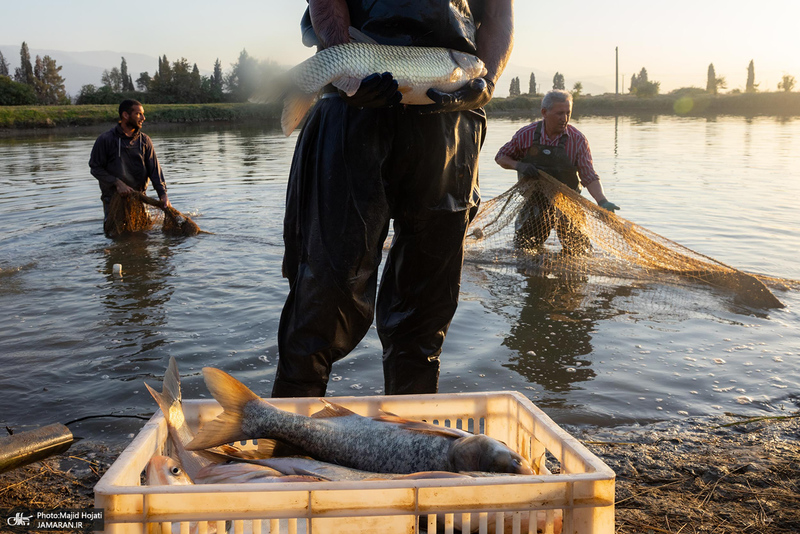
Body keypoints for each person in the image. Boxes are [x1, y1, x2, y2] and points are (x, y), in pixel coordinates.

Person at [272, 0, 514, 397]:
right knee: (325, 288)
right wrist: (345, 69)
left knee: (427, 296)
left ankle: (410, 442)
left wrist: (484, 84)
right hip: (354, 99)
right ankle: (284, 442)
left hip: (450, 114)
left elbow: (499, 12)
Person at [495, 90, 619, 252]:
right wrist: (520, 166)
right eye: (560, 113)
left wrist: (602, 201)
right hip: (535, 202)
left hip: (568, 203)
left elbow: (588, 176)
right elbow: (501, 157)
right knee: (524, 249)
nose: (565, 118)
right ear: (544, 113)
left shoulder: (577, 140)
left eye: (568, 113)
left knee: (578, 252)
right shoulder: (526, 134)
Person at [89, 99, 170, 237]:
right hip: (113, 200)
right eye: (138, 114)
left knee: (141, 237)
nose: (143, 118)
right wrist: (117, 183)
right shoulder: (105, 139)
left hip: (140, 200)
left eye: (142, 114)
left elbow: (154, 171)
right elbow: (95, 168)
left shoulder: (144, 141)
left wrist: (163, 195)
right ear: (125, 115)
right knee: (116, 237)